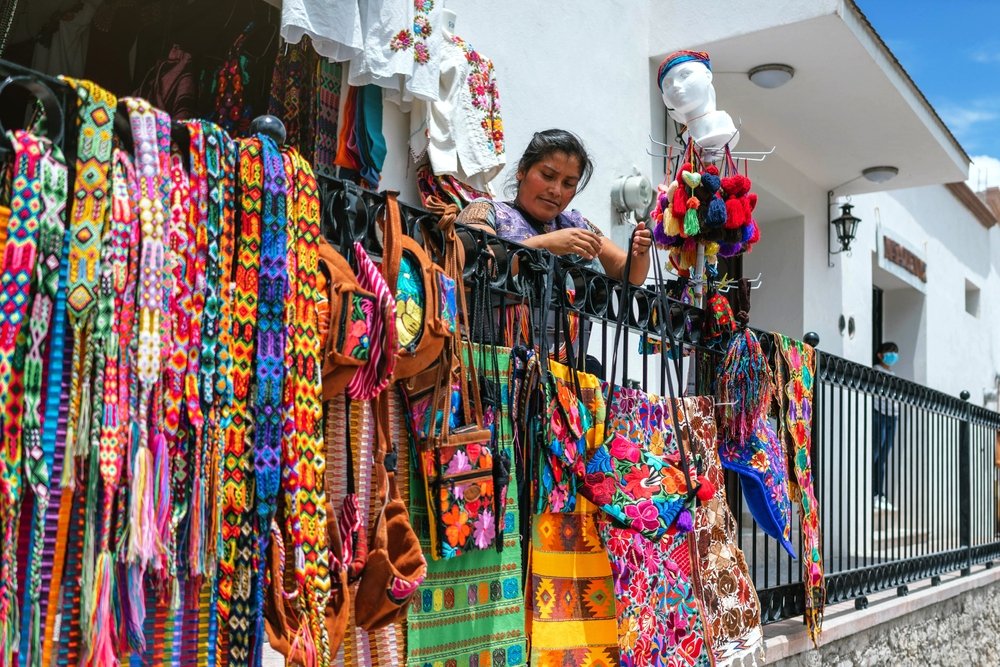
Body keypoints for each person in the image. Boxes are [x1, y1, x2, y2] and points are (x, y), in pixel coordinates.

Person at [458, 128, 652, 285]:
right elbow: (479, 265)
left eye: (568, 184)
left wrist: (639, 253)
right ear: (522, 170)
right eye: (548, 176)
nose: (556, 191)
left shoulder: (578, 226)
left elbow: (626, 272)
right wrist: (546, 244)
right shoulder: (485, 211)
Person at [657, 50, 739, 155]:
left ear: (707, 76)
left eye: (685, 75)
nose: (675, 86)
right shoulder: (687, 137)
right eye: (667, 85)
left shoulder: (723, 124)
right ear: (666, 100)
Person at [872, 341, 900, 509]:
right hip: (879, 413)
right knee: (875, 454)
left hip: (893, 416)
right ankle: (871, 492)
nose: (893, 355)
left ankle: (879, 494)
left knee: (883, 458)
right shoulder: (876, 369)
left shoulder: (893, 373)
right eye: (889, 352)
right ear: (880, 354)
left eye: (895, 352)